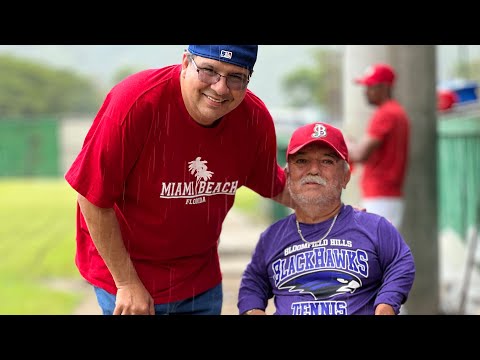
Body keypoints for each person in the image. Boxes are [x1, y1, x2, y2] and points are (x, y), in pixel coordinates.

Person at [64, 45, 293, 315]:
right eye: (209, 71)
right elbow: (92, 197)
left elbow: (275, 184)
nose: (220, 88)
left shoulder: (253, 119)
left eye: (235, 77)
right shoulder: (136, 102)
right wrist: (126, 282)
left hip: (199, 282)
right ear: (186, 63)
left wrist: (344, 212)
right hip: (128, 278)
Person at [238, 121, 415, 315]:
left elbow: (400, 262)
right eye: (301, 161)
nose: (313, 170)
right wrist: (253, 310)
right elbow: (253, 283)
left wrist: (386, 304)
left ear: (345, 177)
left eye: (327, 161)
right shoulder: (272, 237)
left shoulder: (374, 227)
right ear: (288, 176)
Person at [347, 63, 411, 229]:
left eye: (370, 87)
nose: (365, 92)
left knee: (376, 250)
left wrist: (345, 145)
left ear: (383, 87)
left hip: (381, 195)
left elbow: (361, 154)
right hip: (386, 195)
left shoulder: (386, 113)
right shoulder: (397, 112)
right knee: (381, 249)